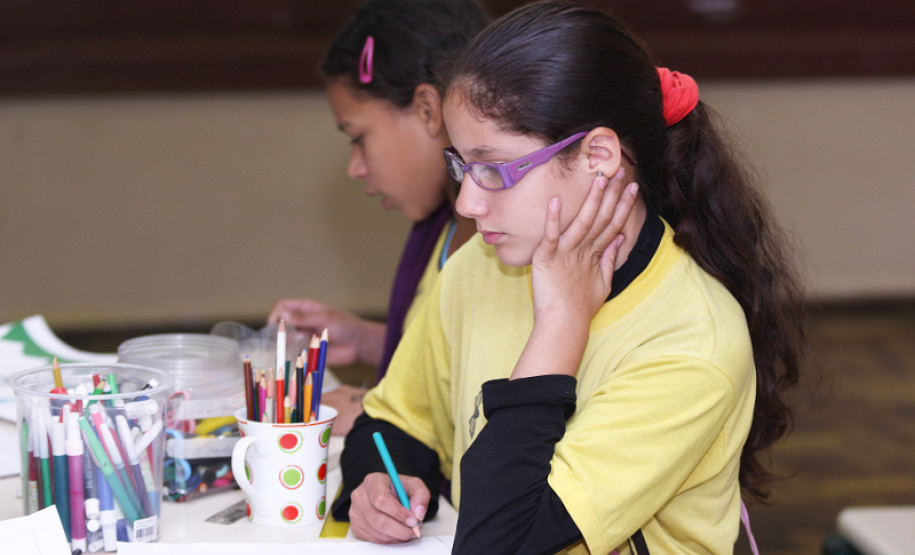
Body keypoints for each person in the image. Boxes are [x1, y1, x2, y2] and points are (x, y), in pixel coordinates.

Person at [332, 1, 810, 552]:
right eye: (461, 165)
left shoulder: (690, 344)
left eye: (493, 168)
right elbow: (392, 422)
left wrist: (560, 322)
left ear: (598, 157)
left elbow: (500, 543)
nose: (467, 203)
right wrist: (375, 483)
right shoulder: (482, 267)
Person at [267, 0, 489, 435]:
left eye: (359, 138)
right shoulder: (443, 231)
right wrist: (370, 339)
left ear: (427, 109)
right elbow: (443, 351)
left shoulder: (506, 245)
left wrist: (376, 411)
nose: (355, 167)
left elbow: (495, 408)